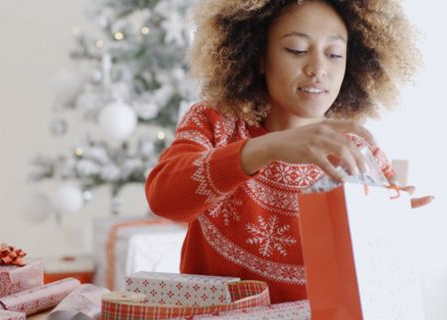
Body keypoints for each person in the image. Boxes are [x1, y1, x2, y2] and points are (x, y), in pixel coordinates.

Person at [145, 0, 434, 303]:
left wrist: (392, 225)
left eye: (335, 54)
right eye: (296, 49)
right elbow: (164, 200)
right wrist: (267, 148)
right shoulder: (215, 123)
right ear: (258, 56)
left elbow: (375, 284)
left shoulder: (357, 153)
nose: (318, 69)